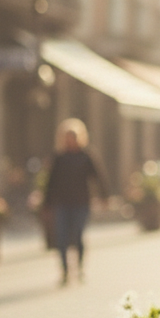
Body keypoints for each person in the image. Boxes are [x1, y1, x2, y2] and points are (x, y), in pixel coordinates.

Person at [43, 118, 106, 285]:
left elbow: (98, 176)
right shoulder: (58, 157)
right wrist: (46, 203)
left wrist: (104, 196)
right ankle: (64, 270)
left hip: (81, 202)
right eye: (67, 136)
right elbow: (50, 181)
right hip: (61, 203)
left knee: (78, 234)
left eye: (73, 136)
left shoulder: (86, 156)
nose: (70, 140)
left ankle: (79, 267)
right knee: (61, 237)